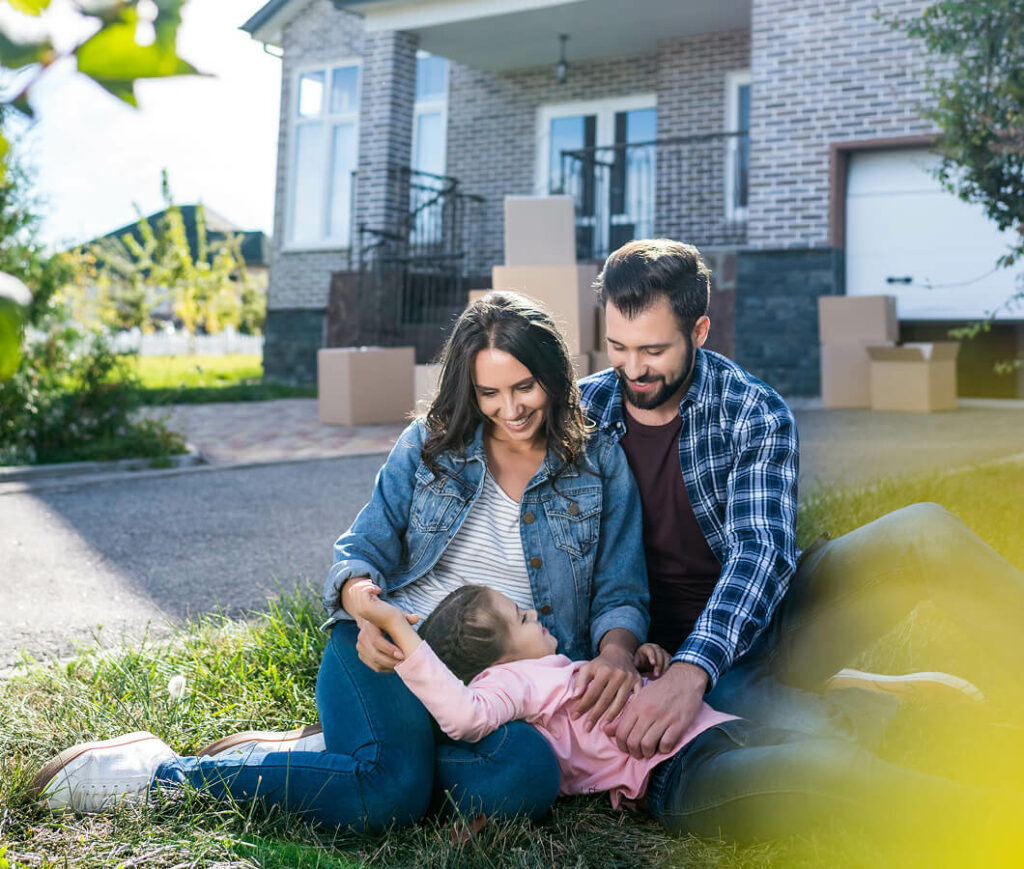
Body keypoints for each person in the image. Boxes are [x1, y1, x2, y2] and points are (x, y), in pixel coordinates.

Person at [30, 292, 651, 829]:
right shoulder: (432, 446)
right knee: (387, 796)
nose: (509, 408)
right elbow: (360, 553)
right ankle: (160, 774)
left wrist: (617, 651)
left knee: (528, 773)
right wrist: (365, 606)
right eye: (489, 392)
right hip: (388, 653)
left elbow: (622, 589)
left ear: (555, 376)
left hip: (504, 687)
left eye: (524, 387)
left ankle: (334, 753)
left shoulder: (597, 464)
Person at [578, 238, 1024, 759]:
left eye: (654, 350)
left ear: (699, 331)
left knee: (925, 530)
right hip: (656, 652)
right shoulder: (581, 410)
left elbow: (760, 554)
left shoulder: (752, 410)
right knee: (799, 736)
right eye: (618, 347)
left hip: (765, 626)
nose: (632, 369)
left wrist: (692, 668)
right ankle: (884, 713)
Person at [356, 582, 1023, 851]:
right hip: (684, 778)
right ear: (493, 652)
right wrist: (404, 638)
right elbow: (464, 716)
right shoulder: (507, 685)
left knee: (849, 720)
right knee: (826, 765)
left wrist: (649, 660)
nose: (540, 618)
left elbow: (626, 687)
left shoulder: (559, 668)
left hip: (717, 724)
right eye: (523, 618)